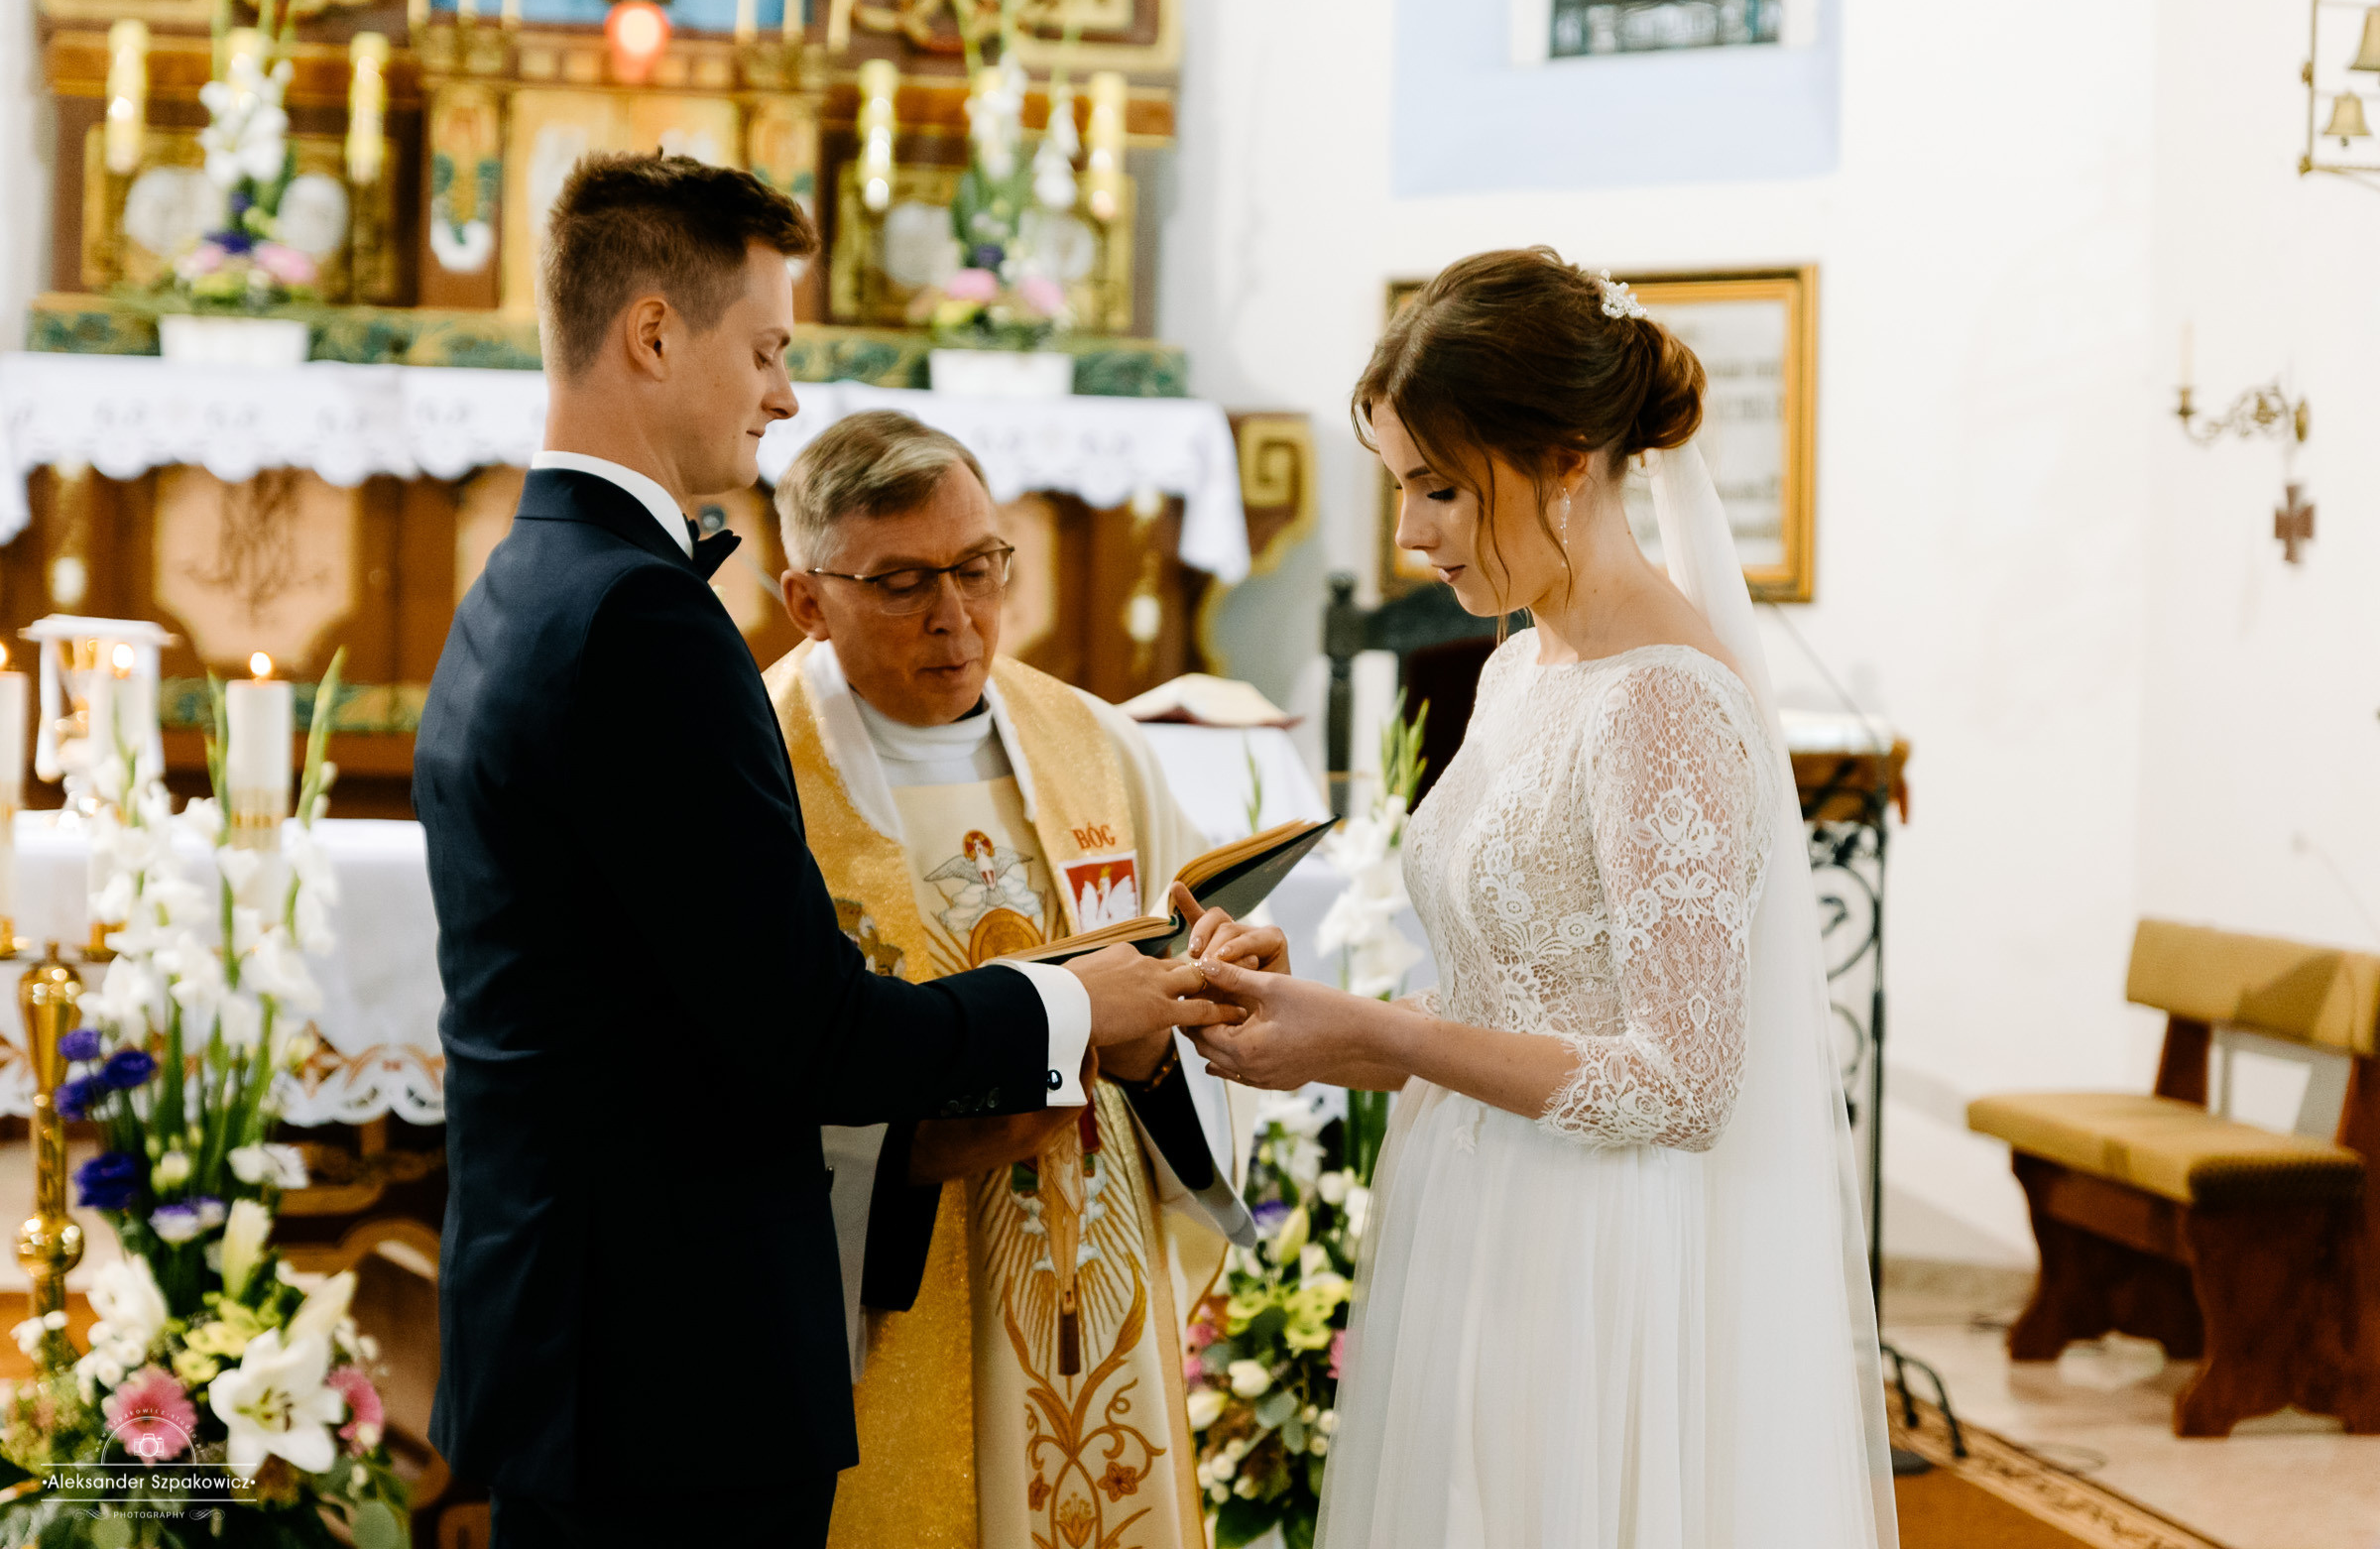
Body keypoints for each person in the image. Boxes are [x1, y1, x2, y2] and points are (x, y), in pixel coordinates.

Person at [413, 154, 1233, 1549]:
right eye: (768, 347)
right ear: (657, 334)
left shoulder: (524, 575)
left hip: (572, 1331)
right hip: (669, 1368)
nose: (784, 395)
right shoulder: (641, 620)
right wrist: (1078, 1000)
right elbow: (805, 1032)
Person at [1184, 249, 1897, 1547]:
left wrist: (1375, 1039)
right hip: (1472, 1197)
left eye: (1440, 488)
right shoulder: (1521, 667)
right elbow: (1517, 979)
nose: (1409, 533)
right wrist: (1320, 1013)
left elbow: (1681, 1085)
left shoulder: (1664, 699)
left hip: (1588, 1246)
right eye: (1403, 487)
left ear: (1570, 457)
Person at [761, 410, 1257, 1549]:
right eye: (901, 581)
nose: (957, 614)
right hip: (896, 1288)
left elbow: (1175, 959)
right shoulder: (761, 768)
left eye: (980, 566)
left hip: (1095, 1258)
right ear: (806, 598)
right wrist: (911, 1148)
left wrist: (1195, 1007)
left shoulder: (1092, 740)